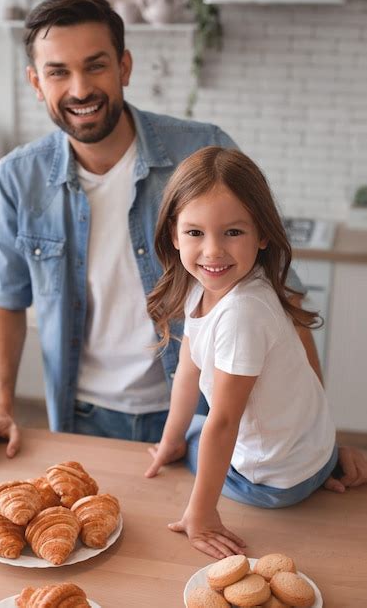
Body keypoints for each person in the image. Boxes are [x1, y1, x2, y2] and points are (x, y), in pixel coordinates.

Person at [0, 0, 359, 479]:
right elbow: (6, 300)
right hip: (82, 419)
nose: (80, 88)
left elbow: (280, 292)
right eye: (58, 71)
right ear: (36, 82)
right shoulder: (17, 176)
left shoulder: (202, 149)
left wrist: (314, 442)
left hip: (206, 418)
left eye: (95, 66)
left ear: (124, 66)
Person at [145, 147, 367, 559]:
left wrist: (201, 512)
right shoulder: (208, 286)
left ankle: (314, 472)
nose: (212, 251)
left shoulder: (243, 313)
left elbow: (224, 421)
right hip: (310, 454)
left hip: (269, 484)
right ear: (174, 235)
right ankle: (328, 465)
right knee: (186, 434)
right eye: (196, 233)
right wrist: (169, 441)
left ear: (262, 234)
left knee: (200, 433)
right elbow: (189, 371)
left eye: (232, 232)